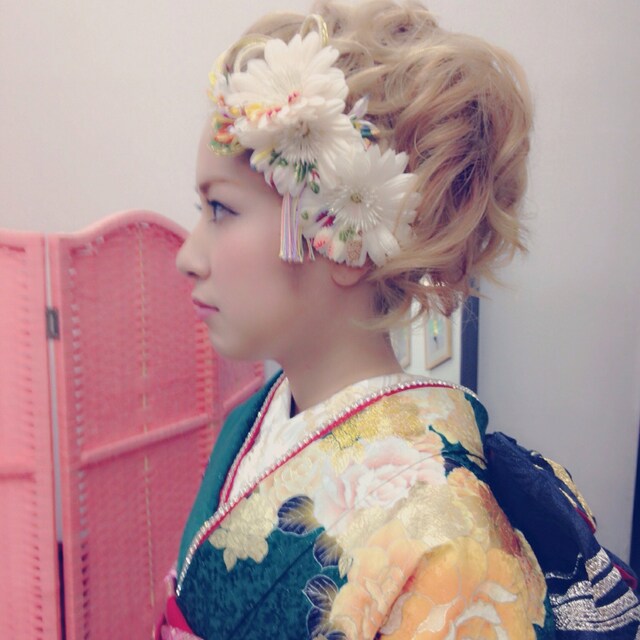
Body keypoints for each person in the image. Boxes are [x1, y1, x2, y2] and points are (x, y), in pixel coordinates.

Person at [157, 1, 639, 638]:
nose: (187, 256)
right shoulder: (255, 423)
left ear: (340, 236)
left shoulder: (448, 536)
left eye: (220, 210)